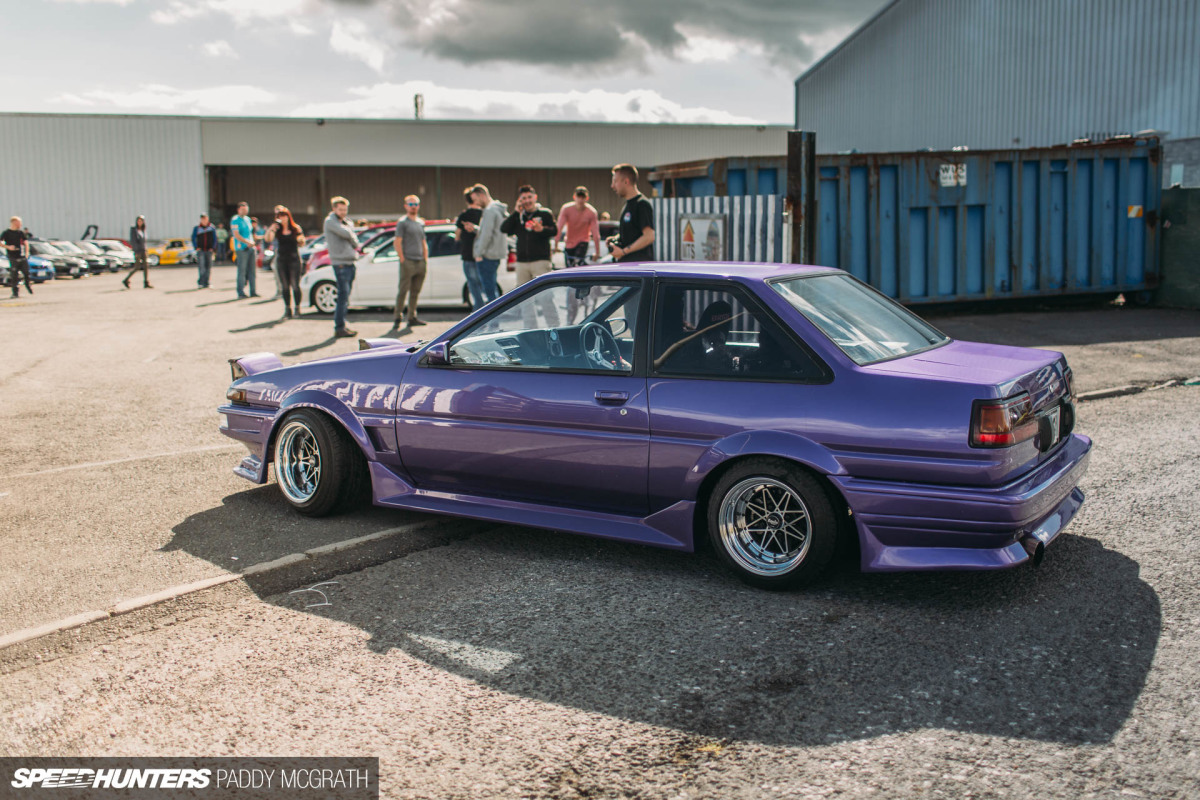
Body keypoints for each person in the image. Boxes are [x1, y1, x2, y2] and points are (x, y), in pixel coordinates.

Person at [501, 184, 557, 285]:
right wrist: (516, 212)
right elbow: (504, 229)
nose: (527, 201)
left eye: (529, 197)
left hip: (540, 261)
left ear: (535, 197)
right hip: (522, 262)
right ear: (520, 200)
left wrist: (542, 230)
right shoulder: (518, 217)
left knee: (543, 294)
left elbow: (554, 231)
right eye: (524, 198)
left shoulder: (545, 213)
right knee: (523, 295)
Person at [323, 196, 360, 338]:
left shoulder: (346, 222)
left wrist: (350, 234)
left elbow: (354, 239)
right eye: (340, 209)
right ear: (334, 209)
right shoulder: (330, 221)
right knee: (342, 295)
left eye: (345, 209)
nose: (343, 212)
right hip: (340, 264)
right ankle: (339, 327)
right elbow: (346, 233)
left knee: (346, 296)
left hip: (350, 262)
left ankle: (343, 324)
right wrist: (350, 233)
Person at [393, 194, 428, 329]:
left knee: (415, 291)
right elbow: (397, 242)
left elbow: (423, 242)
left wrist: (425, 259)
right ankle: (397, 317)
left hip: (420, 262)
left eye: (415, 204)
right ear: (406, 206)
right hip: (408, 261)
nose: (413, 207)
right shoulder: (403, 222)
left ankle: (412, 316)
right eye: (411, 204)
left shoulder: (420, 222)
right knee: (403, 290)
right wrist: (402, 258)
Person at [609, 163, 655, 263]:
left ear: (626, 181)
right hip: (627, 265)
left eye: (615, 181)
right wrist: (615, 239)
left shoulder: (642, 204)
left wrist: (623, 252)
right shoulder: (627, 205)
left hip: (638, 268)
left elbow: (649, 236)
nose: (612, 186)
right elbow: (632, 234)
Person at [265, 205, 306, 318]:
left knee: (295, 285)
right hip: (282, 259)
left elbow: (302, 241)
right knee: (285, 286)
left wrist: (300, 239)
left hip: (294, 259)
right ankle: (287, 309)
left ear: (288, 217)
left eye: (284, 216)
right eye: (280, 217)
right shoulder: (277, 230)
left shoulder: (295, 228)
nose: (283, 219)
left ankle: (297, 308)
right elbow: (268, 239)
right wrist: (271, 228)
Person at [469, 183, 507, 305]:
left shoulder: (490, 211)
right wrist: (476, 229)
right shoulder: (497, 209)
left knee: (490, 292)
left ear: (482, 195)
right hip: (494, 255)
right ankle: (495, 322)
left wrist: (479, 253)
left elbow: (486, 235)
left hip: (487, 256)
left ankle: (493, 323)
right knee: (492, 290)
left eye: (476, 199)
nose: (476, 203)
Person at [555, 186, 602, 267]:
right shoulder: (566, 209)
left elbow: (595, 233)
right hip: (569, 243)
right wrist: (556, 245)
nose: (580, 200)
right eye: (578, 197)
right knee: (569, 266)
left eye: (583, 197)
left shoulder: (591, 212)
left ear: (587, 198)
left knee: (577, 263)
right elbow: (559, 228)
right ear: (574, 197)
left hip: (582, 242)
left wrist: (597, 252)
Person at [455, 188, 485, 308]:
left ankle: (478, 309)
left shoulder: (464, 215)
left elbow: (457, 235)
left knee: (473, 284)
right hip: (483, 254)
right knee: (486, 283)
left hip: (468, 254)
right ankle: (489, 310)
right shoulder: (485, 214)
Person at [230, 202, 257, 298]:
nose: (245, 211)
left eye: (246, 209)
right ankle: (240, 292)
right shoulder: (235, 220)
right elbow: (236, 235)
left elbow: (250, 233)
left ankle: (253, 291)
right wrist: (247, 242)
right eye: (243, 209)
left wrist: (252, 242)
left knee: (252, 271)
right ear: (238, 210)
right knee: (242, 271)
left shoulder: (248, 219)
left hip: (251, 248)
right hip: (242, 248)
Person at [2, 216, 32, 298]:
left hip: (22, 256)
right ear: (14, 222)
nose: (20, 224)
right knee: (14, 275)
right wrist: (8, 247)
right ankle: (15, 293)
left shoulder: (20, 232)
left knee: (26, 272)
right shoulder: (6, 233)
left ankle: (27, 284)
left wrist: (27, 252)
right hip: (12, 257)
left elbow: (26, 242)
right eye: (19, 222)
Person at [122, 215, 151, 289]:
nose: (140, 222)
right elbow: (133, 241)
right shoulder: (134, 230)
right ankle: (126, 280)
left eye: (141, 221)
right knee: (137, 267)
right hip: (138, 251)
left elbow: (144, 241)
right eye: (138, 221)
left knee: (146, 267)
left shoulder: (143, 230)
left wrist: (145, 249)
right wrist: (136, 251)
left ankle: (146, 282)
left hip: (144, 250)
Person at [191, 213, 216, 289]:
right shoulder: (197, 228)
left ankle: (207, 282)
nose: (204, 220)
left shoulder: (212, 228)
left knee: (208, 266)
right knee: (201, 267)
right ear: (201, 219)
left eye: (205, 218)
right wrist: (196, 247)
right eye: (202, 219)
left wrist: (213, 248)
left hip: (209, 250)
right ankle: (201, 282)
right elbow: (193, 238)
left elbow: (215, 239)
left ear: (207, 219)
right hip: (201, 250)